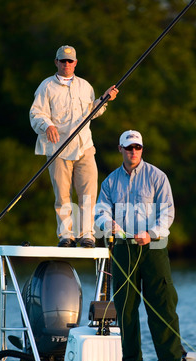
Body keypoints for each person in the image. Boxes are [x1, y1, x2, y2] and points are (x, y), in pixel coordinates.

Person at [95, 130, 183, 361]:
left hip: (153, 247)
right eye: (129, 147)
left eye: (137, 147)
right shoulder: (110, 181)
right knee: (125, 308)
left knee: (162, 304)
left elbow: (167, 213)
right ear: (120, 149)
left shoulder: (157, 176)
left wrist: (151, 233)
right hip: (123, 249)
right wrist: (108, 224)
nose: (133, 152)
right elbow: (100, 211)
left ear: (142, 149)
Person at [30, 45, 118, 247]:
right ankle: (66, 236)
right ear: (56, 62)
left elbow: (92, 112)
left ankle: (87, 234)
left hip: (84, 146)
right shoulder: (46, 87)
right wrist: (47, 125)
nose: (66, 64)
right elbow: (35, 114)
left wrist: (104, 100)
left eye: (70, 61)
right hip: (57, 150)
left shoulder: (85, 86)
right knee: (62, 195)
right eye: (62, 61)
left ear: (76, 63)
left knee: (88, 193)